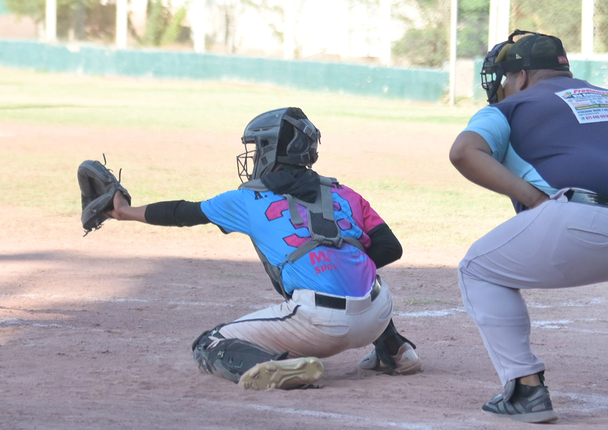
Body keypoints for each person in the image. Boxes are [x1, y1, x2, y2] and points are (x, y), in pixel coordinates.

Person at [105, 108, 420, 390]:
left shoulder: (247, 201)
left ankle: (277, 367)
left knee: (209, 343)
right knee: (358, 270)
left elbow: (181, 212)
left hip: (320, 325)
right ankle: (396, 351)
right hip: (378, 313)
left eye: (257, 149)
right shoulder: (346, 192)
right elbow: (390, 248)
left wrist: (123, 211)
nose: (253, 158)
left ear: (271, 151)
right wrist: (335, 261)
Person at [450, 31, 608, 423]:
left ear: (522, 77)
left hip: (579, 218)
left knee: (478, 269)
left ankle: (525, 389)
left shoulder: (512, 105)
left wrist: (533, 199)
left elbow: (464, 152)